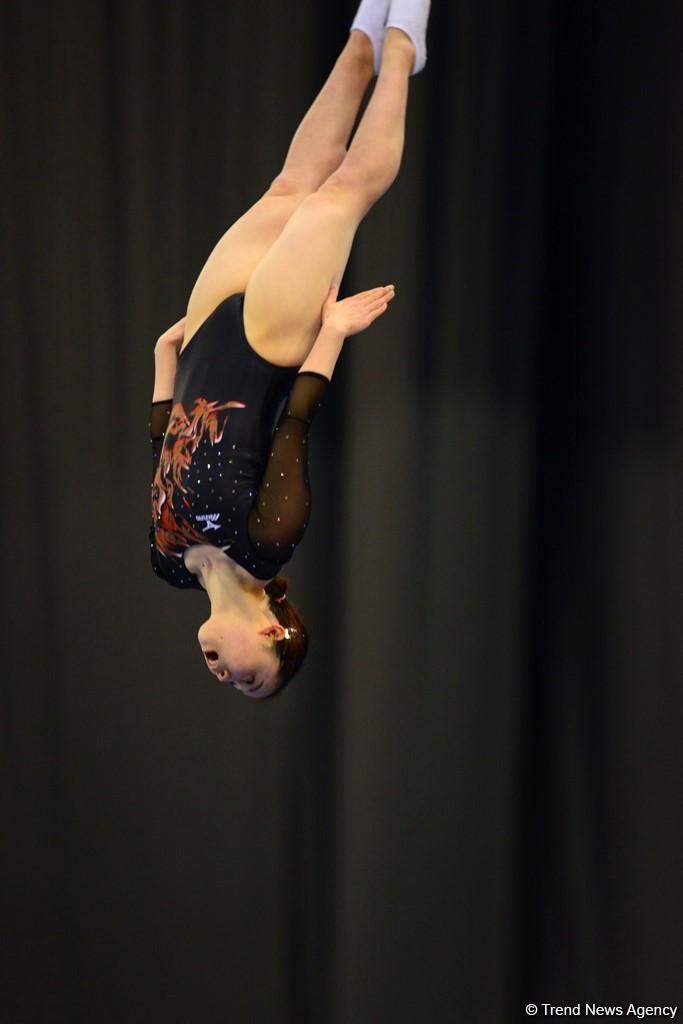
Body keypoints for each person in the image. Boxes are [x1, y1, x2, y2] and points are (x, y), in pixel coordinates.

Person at [148, 0, 432, 700]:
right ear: (274, 634)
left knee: (288, 185)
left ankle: (364, 32)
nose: (223, 676)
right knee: (341, 195)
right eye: (250, 682)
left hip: (204, 329)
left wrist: (163, 359)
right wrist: (330, 336)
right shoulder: (267, 542)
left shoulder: (168, 565)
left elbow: (162, 455)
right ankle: (404, 44)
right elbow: (291, 428)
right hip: (265, 346)